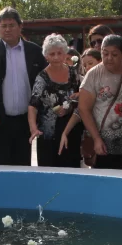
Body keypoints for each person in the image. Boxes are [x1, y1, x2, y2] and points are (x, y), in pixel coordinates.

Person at [0, 7, 47, 166]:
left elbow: (43, 83)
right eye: (3, 26)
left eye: (11, 25)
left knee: (22, 167)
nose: (7, 29)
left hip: (25, 122)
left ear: (20, 26)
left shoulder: (35, 51)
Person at [70, 34, 122, 170]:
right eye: (105, 53)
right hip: (102, 140)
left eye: (114, 54)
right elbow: (84, 108)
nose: (109, 58)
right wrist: (96, 138)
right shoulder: (93, 75)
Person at [28, 34, 81, 168]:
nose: (56, 57)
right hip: (48, 134)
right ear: (46, 56)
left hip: (71, 130)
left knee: (71, 170)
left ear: (65, 54)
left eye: (59, 53)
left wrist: (74, 100)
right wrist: (33, 128)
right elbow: (33, 105)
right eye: (52, 54)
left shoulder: (74, 73)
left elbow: (84, 96)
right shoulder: (42, 77)